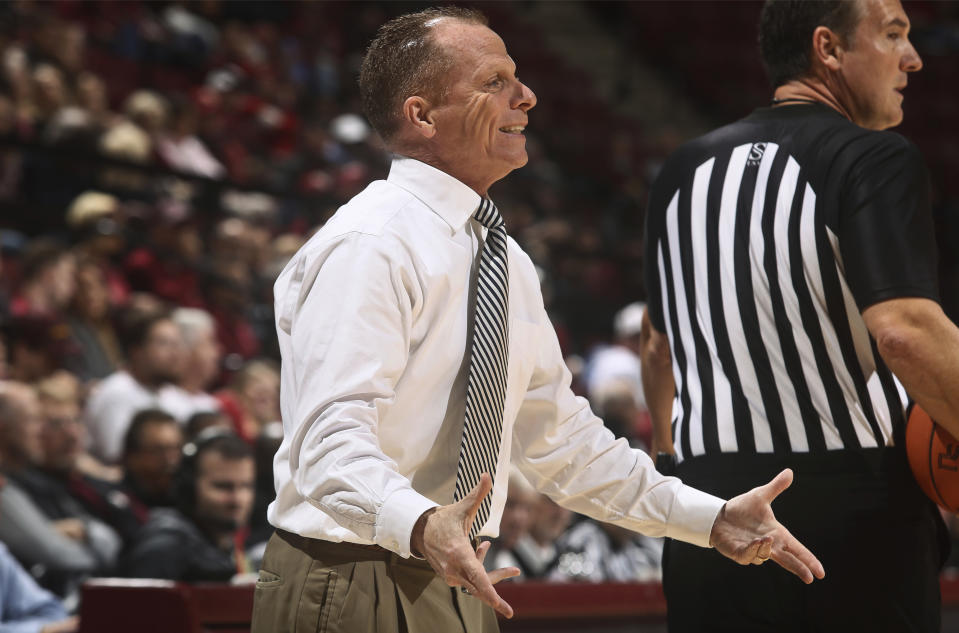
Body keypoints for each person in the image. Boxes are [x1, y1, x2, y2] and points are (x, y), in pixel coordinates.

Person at [253, 8, 823, 633]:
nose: (527, 95)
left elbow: (567, 446)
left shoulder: (503, 256)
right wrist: (419, 524)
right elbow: (327, 445)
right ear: (421, 116)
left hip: (455, 574)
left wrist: (709, 519)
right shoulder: (370, 243)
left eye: (517, 76)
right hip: (351, 572)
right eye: (495, 80)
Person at [641, 1, 944, 630]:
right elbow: (906, 332)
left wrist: (671, 466)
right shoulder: (873, 158)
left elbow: (657, 345)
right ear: (828, 49)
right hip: (851, 512)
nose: (913, 59)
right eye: (893, 36)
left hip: (705, 509)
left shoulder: (679, 171)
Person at [120, 429, 255, 581]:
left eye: (246, 486)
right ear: (189, 488)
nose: (237, 500)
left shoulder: (230, 548)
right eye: (223, 486)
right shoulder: (164, 547)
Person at [82, 310, 185, 463]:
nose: (174, 353)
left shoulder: (172, 394)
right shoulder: (116, 393)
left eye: (177, 344)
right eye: (164, 344)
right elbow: (118, 458)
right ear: (137, 351)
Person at [120, 409, 183, 509]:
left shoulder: (186, 498)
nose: (171, 459)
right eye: (159, 450)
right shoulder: (118, 502)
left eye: (176, 448)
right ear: (132, 456)